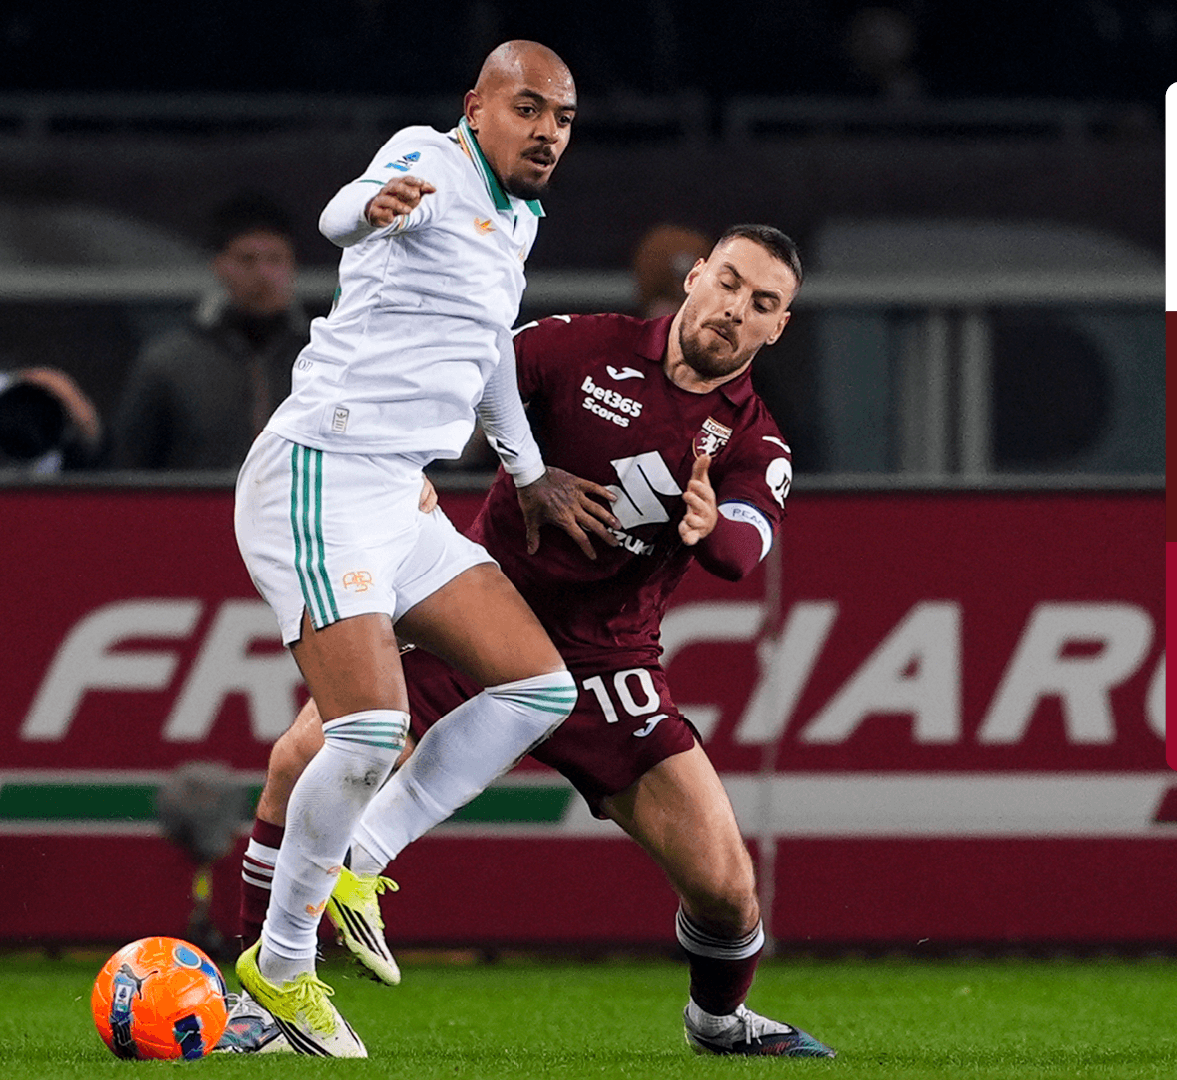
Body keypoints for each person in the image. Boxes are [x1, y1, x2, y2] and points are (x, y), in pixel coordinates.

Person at [228, 226, 834, 1058]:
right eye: (728, 283)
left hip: (606, 662)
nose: (735, 309)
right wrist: (420, 465)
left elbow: (742, 549)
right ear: (697, 277)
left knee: (728, 891)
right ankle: (259, 999)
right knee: (301, 759)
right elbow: (461, 373)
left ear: (778, 327)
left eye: (762, 303)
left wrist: (707, 528)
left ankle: (718, 1023)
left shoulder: (755, 442)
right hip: (481, 610)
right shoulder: (579, 346)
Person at [230, 40, 619, 1058]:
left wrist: (526, 471)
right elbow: (339, 213)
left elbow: (488, 348)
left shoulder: (518, 217)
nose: (547, 132)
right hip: (321, 471)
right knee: (366, 731)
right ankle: (280, 974)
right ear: (475, 108)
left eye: (564, 119)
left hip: (398, 493)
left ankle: (358, 856)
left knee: (539, 689)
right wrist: (374, 206)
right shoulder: (430, 159)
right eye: (528, 109)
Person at [110, 194, 310, 469]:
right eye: (247, 260)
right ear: (220, 266)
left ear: (292, 266)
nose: (263, 273)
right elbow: (129, 467)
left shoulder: (323, 359)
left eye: (275, 259)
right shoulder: (171, 363)